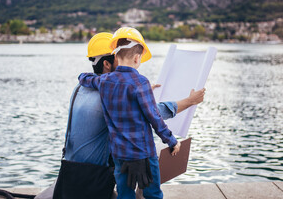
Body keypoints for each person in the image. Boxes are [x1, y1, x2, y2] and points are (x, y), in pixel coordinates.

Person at [78, 27, 204, 199]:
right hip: (143, 154)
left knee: (125, 194)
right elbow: (154, 117)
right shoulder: (141, 83)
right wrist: (171, 140)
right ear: (138, 58)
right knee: (152, 193)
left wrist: (81, 76)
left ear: (115, 56)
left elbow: (85, 78)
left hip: (119, 154)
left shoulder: (104, 81)